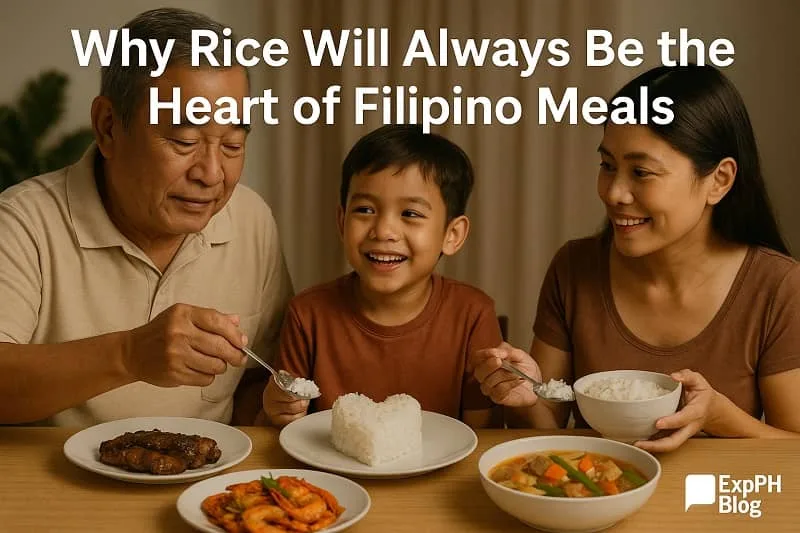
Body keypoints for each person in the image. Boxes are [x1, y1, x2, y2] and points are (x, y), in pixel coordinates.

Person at [471, 65, 800, 451]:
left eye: (641, 172)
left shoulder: (777, 287)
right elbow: (549, 425)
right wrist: (525, 396)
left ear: (719, 180)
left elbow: (793, 446)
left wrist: (721, 418)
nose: (614, 193)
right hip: (594, 502)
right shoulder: (574, 267)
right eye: (608, 166)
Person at [0, 8, 292, 426]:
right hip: (53, 488)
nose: (211, 174)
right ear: (107, 127)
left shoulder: (250, 220)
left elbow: (257, 377)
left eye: (231, 145)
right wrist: (129, 355)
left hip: (202, 485)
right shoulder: (23, 223)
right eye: (183, 139)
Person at [262, 124, 502, 429]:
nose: (384, 232)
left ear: (452, 234)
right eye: (364, 209)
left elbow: (480, 438)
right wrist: (275, 409)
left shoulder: (473, 315)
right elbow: (285, 429)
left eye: (410, 214)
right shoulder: (308, 314)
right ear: (341, 220)